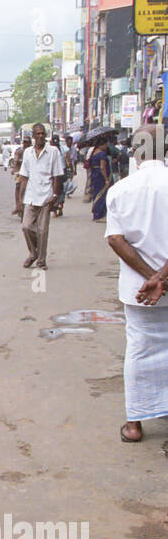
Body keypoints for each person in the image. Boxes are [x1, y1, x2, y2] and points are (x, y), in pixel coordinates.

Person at [106, 126, 168, 443]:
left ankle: (135, 425)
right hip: (158, 286)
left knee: (140, 351)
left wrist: (150, 277)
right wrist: (162, 277)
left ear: (136, 152)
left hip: (139, 293)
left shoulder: (120, 190)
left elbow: (115, 240)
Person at [17, 124, 64, 269]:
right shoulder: (28, 153)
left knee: (43, 230)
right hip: (30, 195)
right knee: (26, 227)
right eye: (37, 134)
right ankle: (33, 253)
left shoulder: (53, 152)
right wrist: (20, 199)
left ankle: (41, 260)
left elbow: (57, 175)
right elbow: (24, 176)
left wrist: (55, 195)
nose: (40, 136)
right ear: (33, 136)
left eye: (43, 134)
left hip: (46, 196)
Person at [89, 135, 112, 222]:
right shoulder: (102, 154)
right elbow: (102, 167)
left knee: (97, 194)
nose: (107, 147)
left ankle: (96, 213)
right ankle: (99, 215)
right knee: (102, 195)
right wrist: (106, 178)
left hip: (95, 174)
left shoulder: (94, 152)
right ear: (102, 144)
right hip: (100, 176)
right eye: (106, 145)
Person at [11, 138, 31, 217]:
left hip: (30, 173)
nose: (25, 144)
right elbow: (16, 161)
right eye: (24, 142)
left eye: (27, 142)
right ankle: (17, 206)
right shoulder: (19, 151)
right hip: (20, 171)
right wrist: (14, 170)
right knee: (18, 186)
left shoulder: (32, 151)